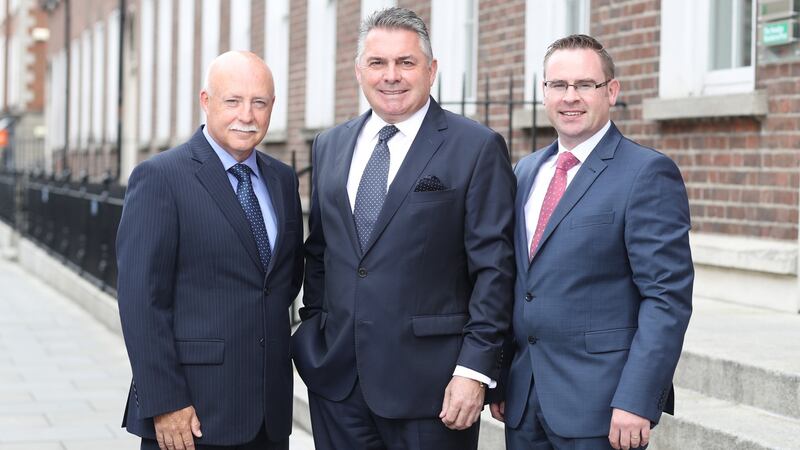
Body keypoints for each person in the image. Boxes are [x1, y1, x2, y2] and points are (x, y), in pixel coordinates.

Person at [291, 7, 515, 450]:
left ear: (431, 71)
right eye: (378, 63)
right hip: (337, 385)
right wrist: (312, 330)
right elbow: (321, 252)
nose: (391, 75)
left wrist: (474, 371)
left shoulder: (476, 147)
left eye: (406, 62)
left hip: (432, 390)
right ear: (359, 70)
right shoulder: (331, 144)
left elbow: (496, 271)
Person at [490, 34, 693, 450]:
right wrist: (503, 375)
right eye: (558, 85)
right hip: (525, 400)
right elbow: (517, 283)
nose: (570, 98)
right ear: (543, 92)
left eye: (585, 85)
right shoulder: (526, 171)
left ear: (611, 91)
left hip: (602, 406)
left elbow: (666, 298)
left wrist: (638, 398)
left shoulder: (646, 174)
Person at [116, 51, 303, 450]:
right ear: (206, 101)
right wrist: (165, 402)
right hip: (191, 416)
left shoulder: (283, 180)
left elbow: (280, 286)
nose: (247, 115)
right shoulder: (160, 178)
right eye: (232, 101)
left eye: (259, 103)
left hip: (268, 416)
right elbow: (140, 302)